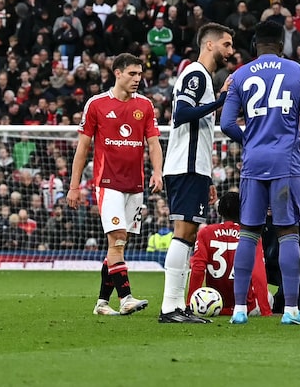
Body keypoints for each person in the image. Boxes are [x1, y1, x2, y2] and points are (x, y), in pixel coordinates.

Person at [222, 20, 300, 326]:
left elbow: (227, 124)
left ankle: (240, 309)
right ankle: (290, 310)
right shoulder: (298, 72)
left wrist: (250, 141)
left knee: (249, 233)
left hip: (254, 164)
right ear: (282, 46)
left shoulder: (239, 75)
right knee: (288, 232)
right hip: (287, 164)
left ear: (255, 46)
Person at [68, 53, 161, 317]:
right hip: (108, 183)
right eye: (132, 74)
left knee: (118, 245)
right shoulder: (96, 104)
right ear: (117, 73)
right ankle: (126, 298)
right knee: (117, 240)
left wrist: (157, 172)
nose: (137, 79)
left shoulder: (145, 105)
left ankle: (101, 303)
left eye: (140, 74)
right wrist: (74, 186)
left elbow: (153, 142)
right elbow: (83, 147)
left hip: (136, 185)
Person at [157, 22, 236, 323]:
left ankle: (176, 306)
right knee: (184, 233)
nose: (230, 50)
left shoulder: (202, 77)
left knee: (188, 235)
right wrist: (220, 100)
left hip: (195, 167)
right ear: (210, 45)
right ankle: (170, 307)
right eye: (226, 44)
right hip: (185, 165)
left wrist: (209, 174)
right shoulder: (195, 74)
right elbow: (181, 114)